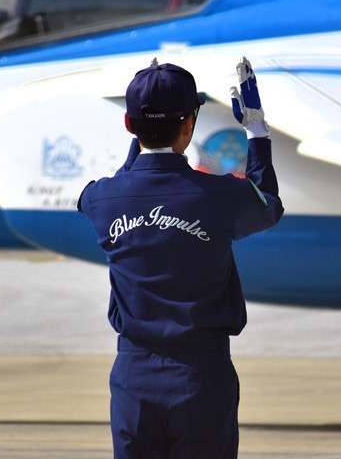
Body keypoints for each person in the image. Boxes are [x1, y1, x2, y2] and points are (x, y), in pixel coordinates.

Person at [77, 57, 284, 459]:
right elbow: (268, 205)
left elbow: (123, 181)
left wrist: (141, 136)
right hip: (201, 378)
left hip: (133, 379)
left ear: (128, 125)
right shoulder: (221, 196)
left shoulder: (100, 198)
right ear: (189, 124)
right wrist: (257, 132)